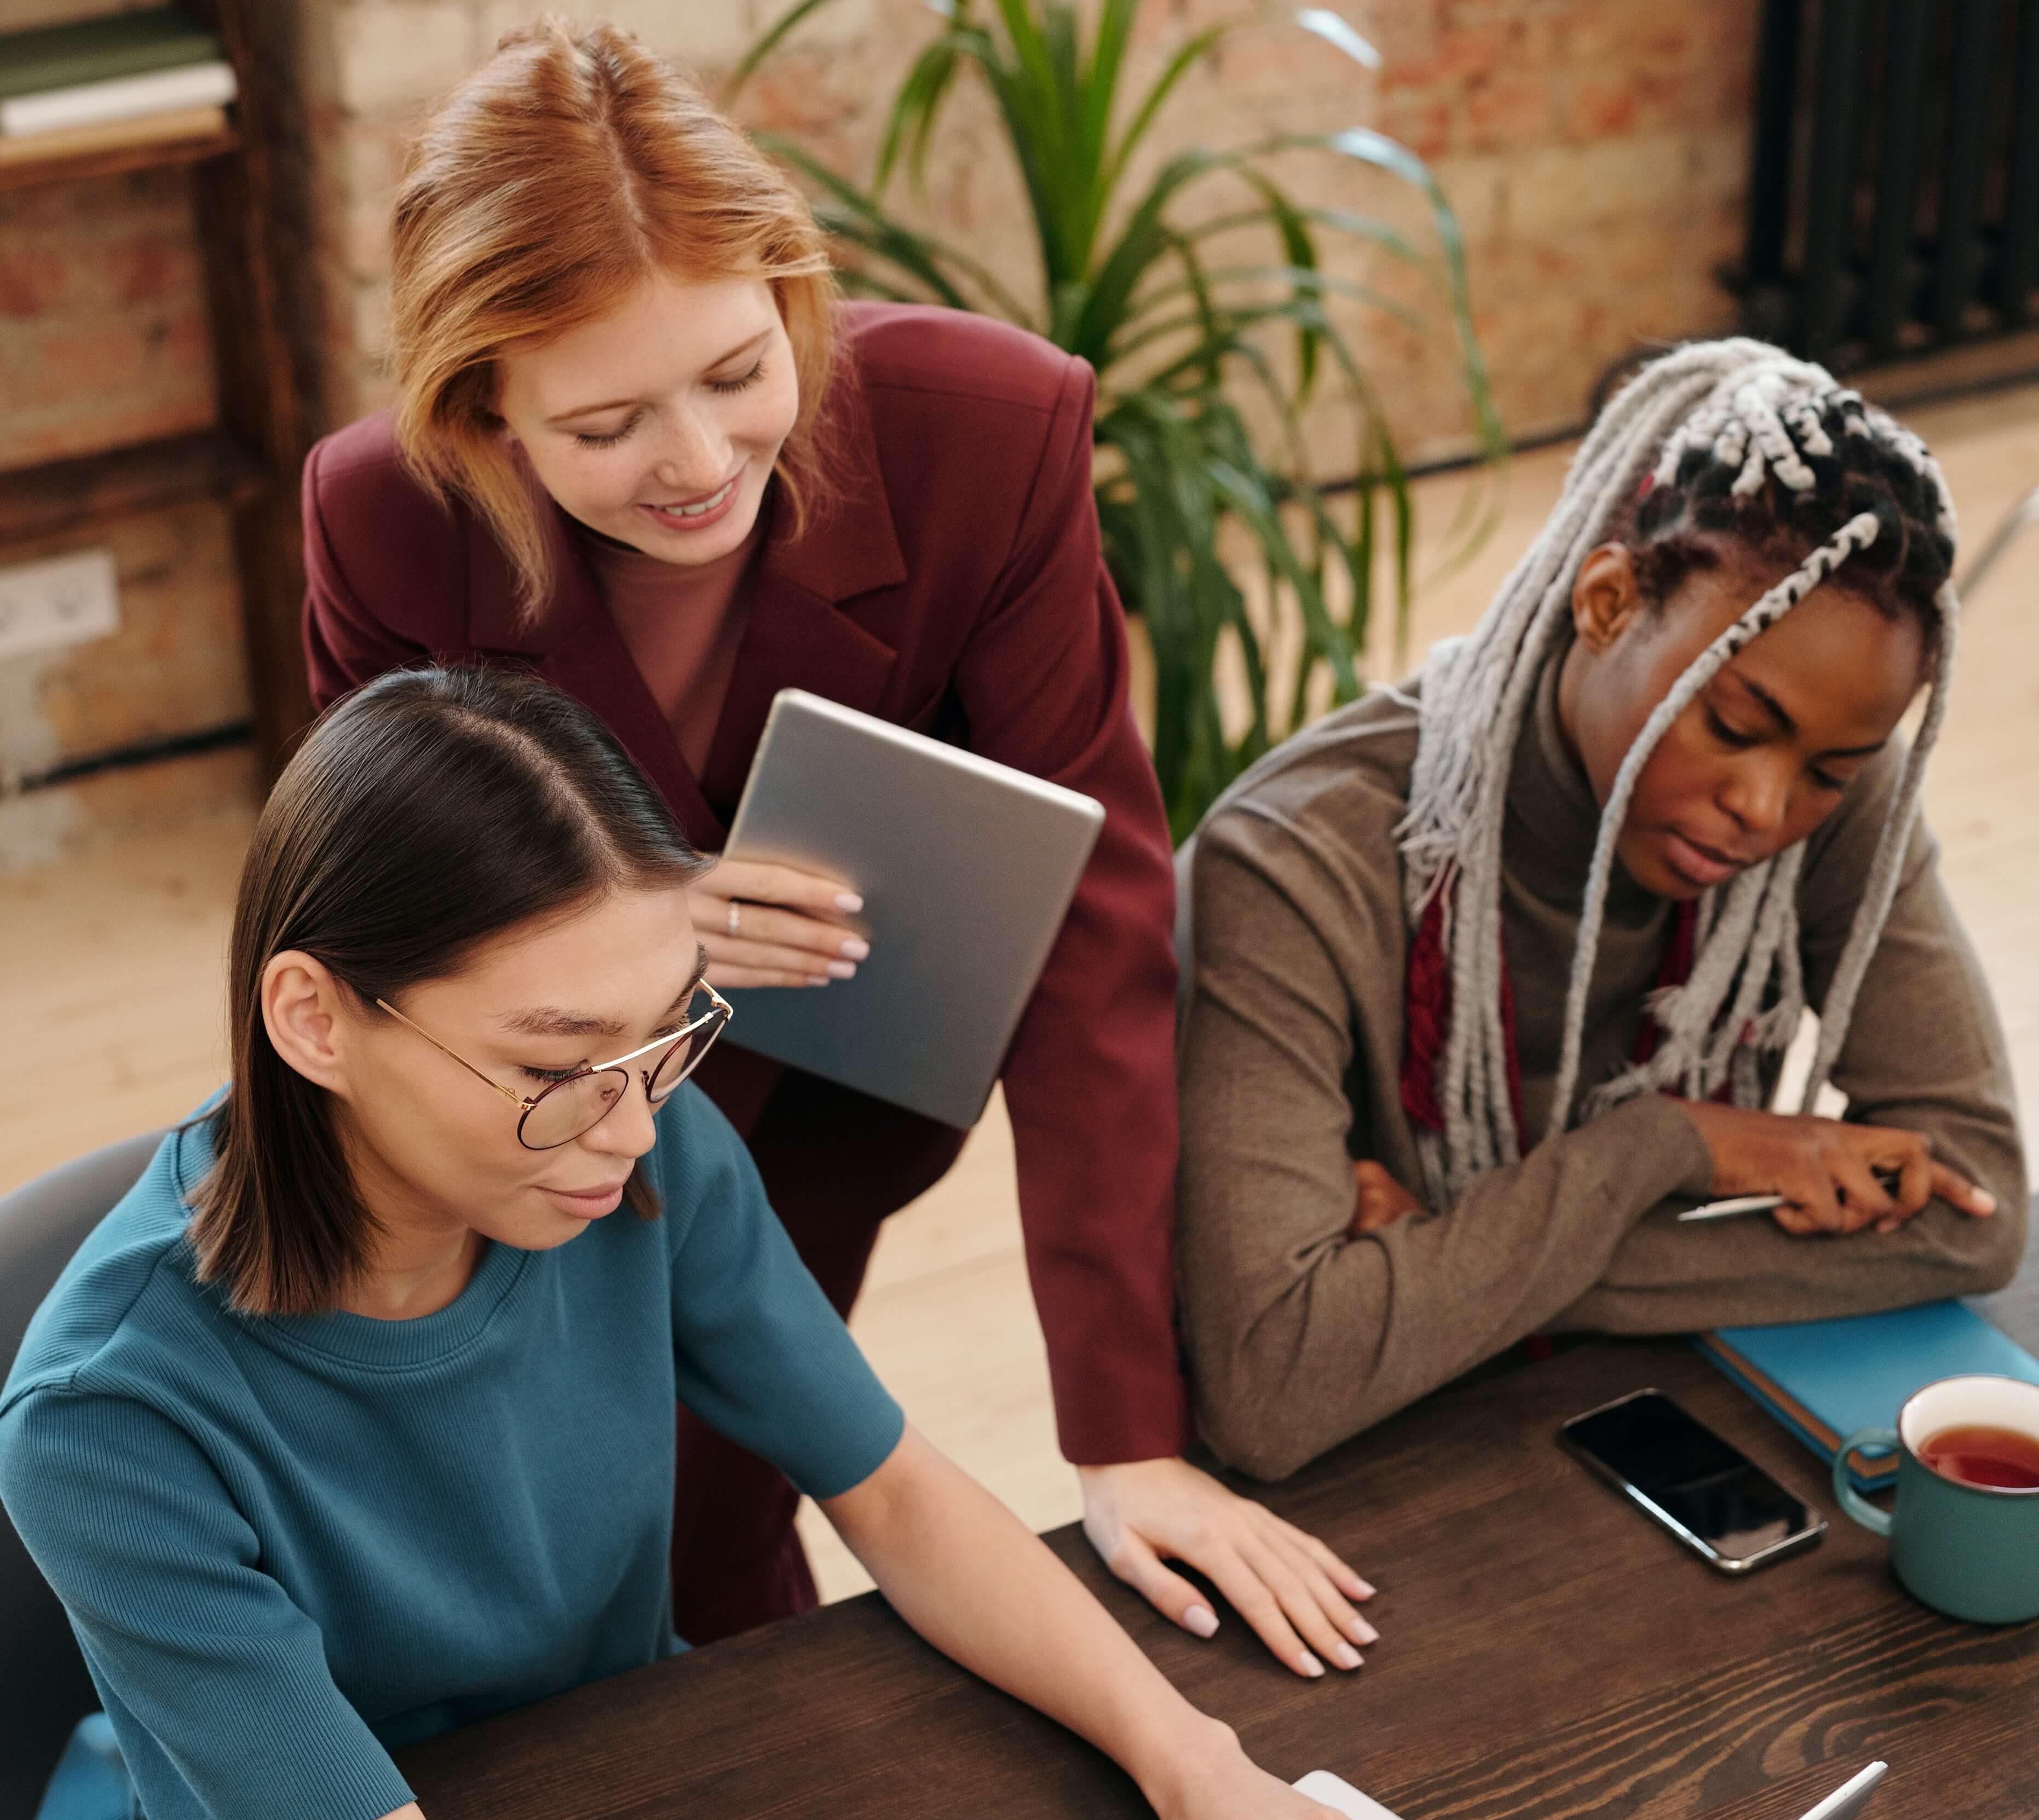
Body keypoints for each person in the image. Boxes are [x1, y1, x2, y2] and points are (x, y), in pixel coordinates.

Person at [0, 667, 1460, 1820]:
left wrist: (1197, 1765)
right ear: (315, 1019)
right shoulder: (108, 1419)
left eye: (666, 1033)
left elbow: (893, 1491)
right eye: (559, 1065)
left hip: (638, 1798)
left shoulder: (634, 1148)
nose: (632, 1127)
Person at [298, 19, 1371, 1683]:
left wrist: (1123, 1434)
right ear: (481, 412)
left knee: (722, 1501)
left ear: (791, 293)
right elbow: (373, 910)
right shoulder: (379, 516)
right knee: (520, 1526)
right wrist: (641, 915)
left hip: (841, 1089)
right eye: (603, 427)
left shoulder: (988, 435)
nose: (700, 461)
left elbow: (1098, 931)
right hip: (524, 1102)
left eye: (738, 373)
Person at [1176, 340, 2026, 1483]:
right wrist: (1671, 1147)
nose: (1764, 807)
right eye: (1730, 724)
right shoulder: (1290, 859)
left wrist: (1438, 1247)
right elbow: (1274, 1381)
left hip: (1642, 1421)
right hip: (1365, 1503)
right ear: (1607, 600)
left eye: (1828, 768)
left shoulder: (1839, 805)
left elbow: (1973, 1209)